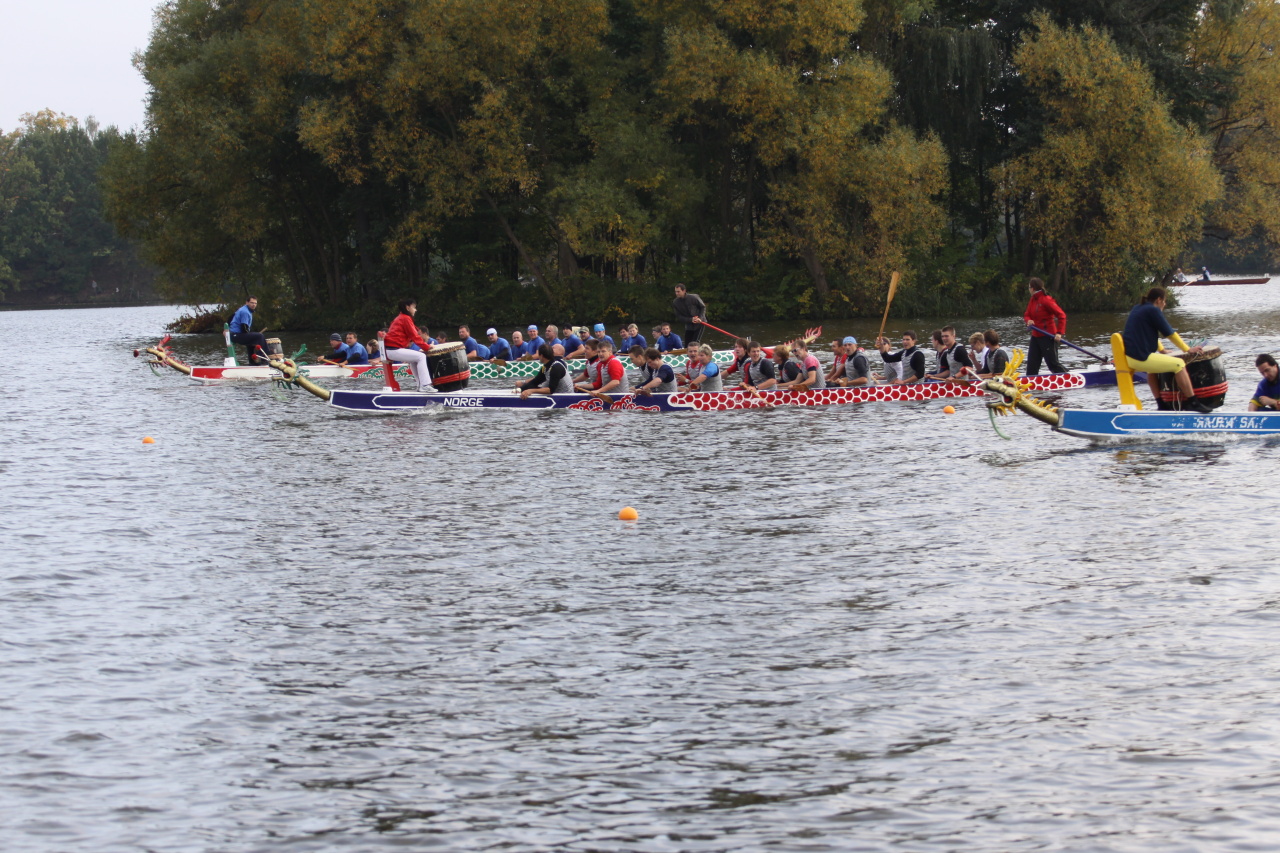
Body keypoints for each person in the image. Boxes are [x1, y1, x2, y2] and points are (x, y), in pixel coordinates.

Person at [1121, 286, 1209, 412]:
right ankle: (1193, 402)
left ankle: (1161, 405)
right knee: (1179, 364)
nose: (1165, 304)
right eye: (1164, 301)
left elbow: (1148, 333)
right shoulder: (1153, 310)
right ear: (1159, 300)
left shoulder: (1138, 308)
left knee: (1152, 370)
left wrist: (1162, 350)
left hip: (1130, 357)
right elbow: (1170, 333)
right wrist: (1188, 349)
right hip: (1140, 358)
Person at [384, 300, 435, 392]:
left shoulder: (401, 318)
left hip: (391, 350)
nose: (415, 310)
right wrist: (427, 347)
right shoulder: (405, 318)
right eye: (414, 307)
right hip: (393, 350)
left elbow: (413, 332)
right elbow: (415, 336)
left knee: (415, 359)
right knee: (421, 356)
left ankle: (420, 386)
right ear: (407, 308)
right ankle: (425, 385)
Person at [1023, 277, 1067, 375]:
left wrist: (1059, 333)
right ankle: (1031, 380)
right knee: (1031, 365)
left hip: (1048, 336)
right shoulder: (1033, 299)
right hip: (1036, 336)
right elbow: (1027, 314)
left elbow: (1062, 315)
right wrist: (1028, 320)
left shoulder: (1046, 300)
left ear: (1032, 289)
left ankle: (1068, 377)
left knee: (1052, 364)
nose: (1029, 290)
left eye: (1029, 288)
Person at [228, 296, 268, 364]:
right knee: (260, 336)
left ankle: (253, 363)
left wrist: (227, 329)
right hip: (236, 335)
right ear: (247, 302)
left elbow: (230, 318)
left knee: (252, 339)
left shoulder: (242, 309)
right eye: (252, 303)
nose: (254, 305)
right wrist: (250, 336)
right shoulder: (245, 312)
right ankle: (265, 360)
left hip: (234, 335)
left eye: (255, 303)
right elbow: (244, 328)